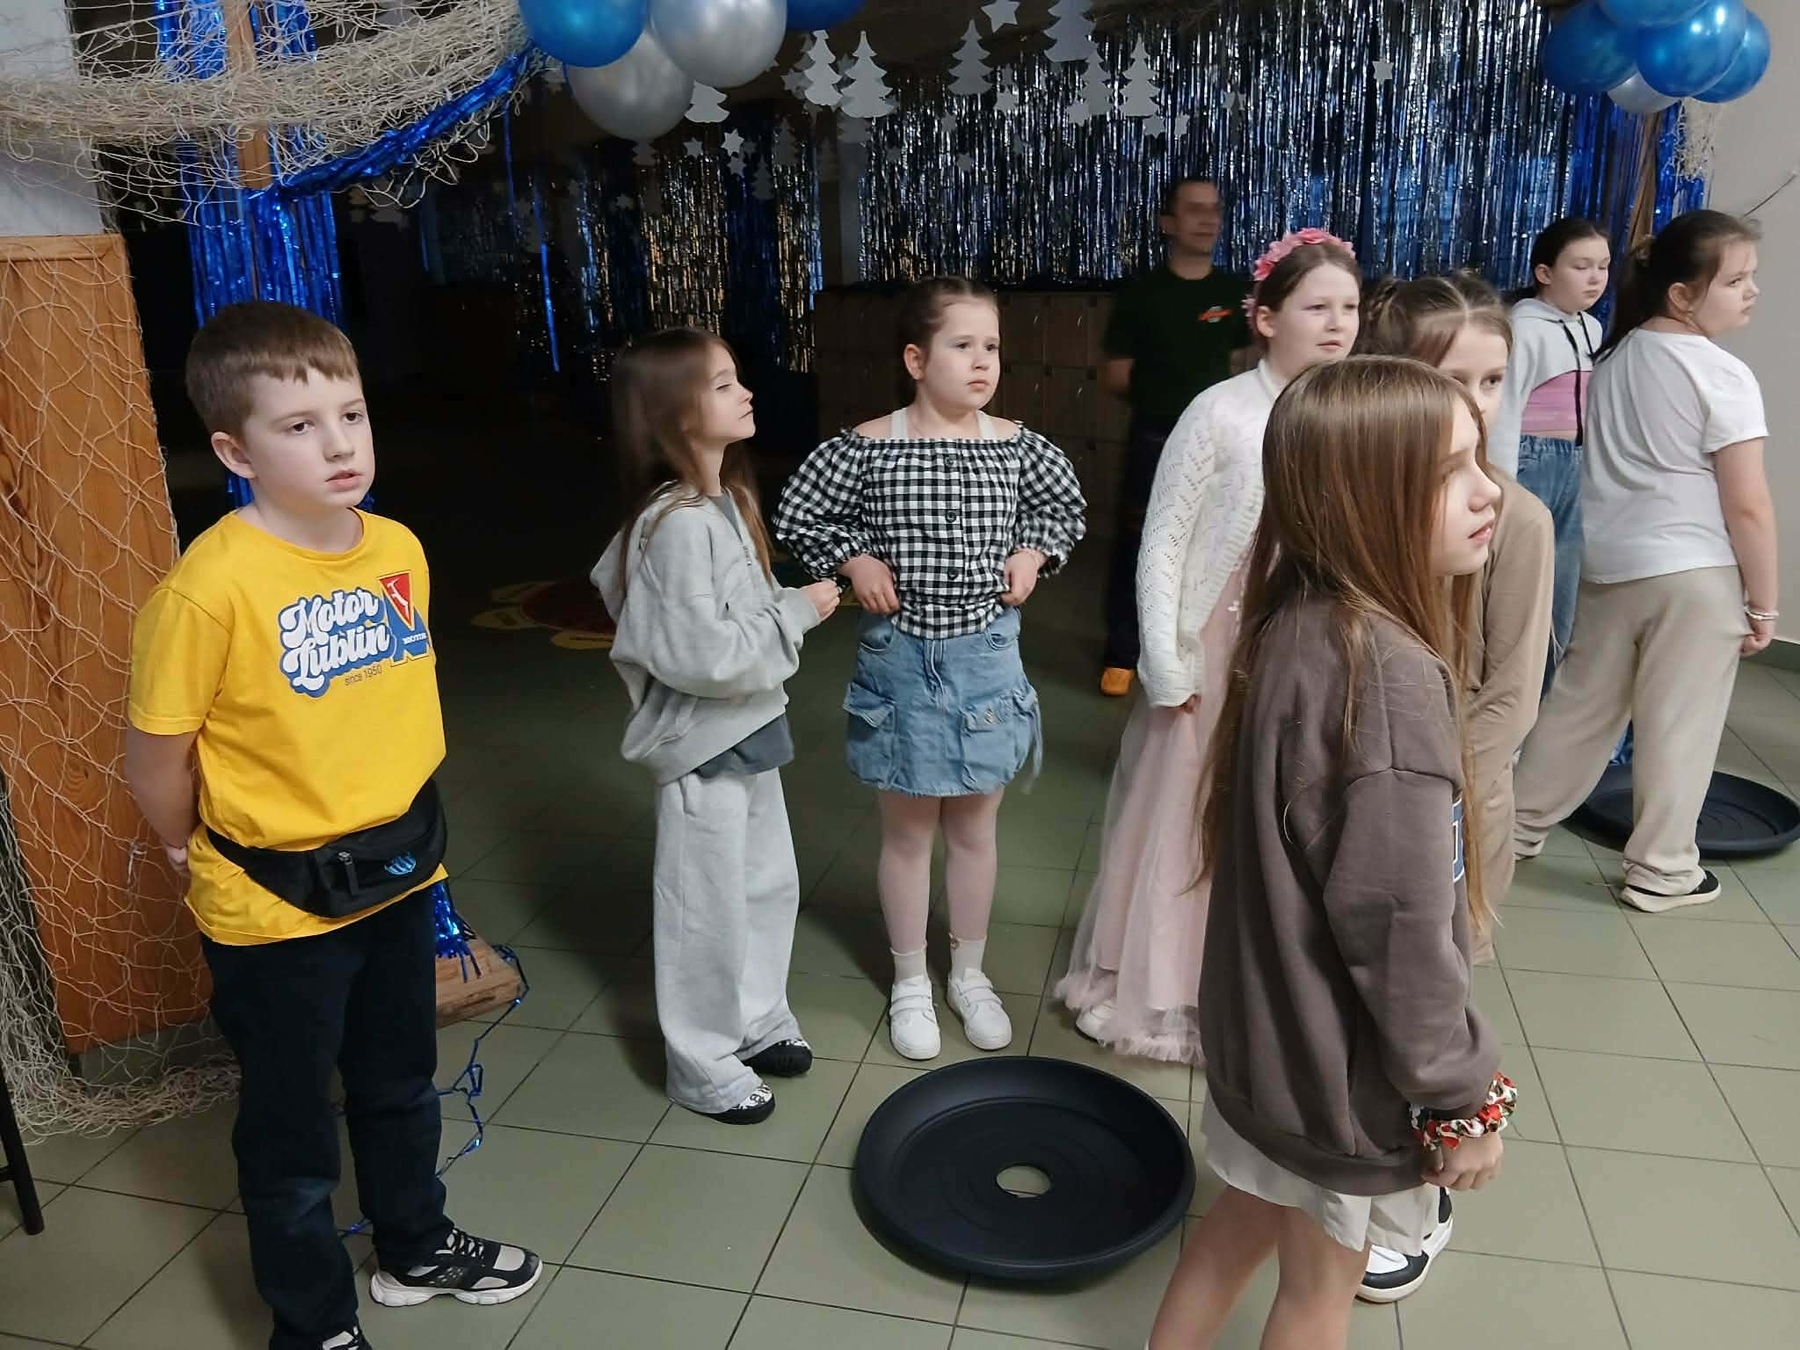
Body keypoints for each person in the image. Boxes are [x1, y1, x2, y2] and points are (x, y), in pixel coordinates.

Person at [122, 302, 540, 1350]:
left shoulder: (396, 548)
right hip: (274, 907)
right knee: (293, 1125)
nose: (340, 443)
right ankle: (311, 1323)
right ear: (236, 453)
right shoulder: (207, 591)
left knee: (400, 1082)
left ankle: (415, 1246)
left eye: (350, 414)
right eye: (299, 426)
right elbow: (156, 757)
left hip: (398, 873)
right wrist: (180, 844)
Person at [1148, 357, 1515, 1350]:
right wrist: (1460, 1095)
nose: (1488, 491)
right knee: (1318, 1295)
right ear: (1358, 498)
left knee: (1235, 1229)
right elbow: (1398, 932)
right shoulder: (1384, 677)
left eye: (1479, 460)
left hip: (1264, 1050)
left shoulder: (1298, 615)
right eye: (1449, 473)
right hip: (1332, 1079)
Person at [1056, 229, 1361, 1061]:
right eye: (1317, 307)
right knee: (1190, 813)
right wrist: (1165, 657)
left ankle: (1260, 984)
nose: (1338, 324)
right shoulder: (1220, 411)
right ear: (1265, 318)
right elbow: (1163, 541)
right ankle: (1165, 987)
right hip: (1217, 644)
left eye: (1349, 307)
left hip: (1307, 643)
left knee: (1288, 813)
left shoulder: (1353, 412)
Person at [775, 277, 1087, 1061]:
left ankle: (969, 973)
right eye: (962, 345)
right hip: (901, 663)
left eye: (992, 347)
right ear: (917, 359)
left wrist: (1032, 552)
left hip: (986, 662)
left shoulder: (1016, 446)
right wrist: (853, 559)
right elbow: (799, 512)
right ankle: (910, 978)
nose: (982, 362)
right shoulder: (867, 446)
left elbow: (1063, 510)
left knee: (975, 828)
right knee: (909, 832)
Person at [1351, 272, 1554, 1301]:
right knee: (1356, 1006)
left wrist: (1424, 805)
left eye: (1493, 379)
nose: (1475, 401)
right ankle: (1349, 1180)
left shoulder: (1514, 521)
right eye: (1450, 378)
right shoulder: (1354, 507)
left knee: (1428, 1007)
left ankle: (1410, 1209)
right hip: (1361, 807)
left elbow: (1508, 699)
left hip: (1456, 813)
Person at [594, 328, 839, 1124]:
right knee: (704, 907)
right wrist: (797, 612)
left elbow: (738, 619)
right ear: (675, 412)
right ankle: (700, 1061)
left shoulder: (726, 503)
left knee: (765, 884)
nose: (747, 392)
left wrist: (781, 609)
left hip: (750, 729)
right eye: (724, 383)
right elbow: (700, 655)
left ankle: (757, 1017)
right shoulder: (676, 525)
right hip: (702, 744)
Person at [1513, 211, 1773, 913]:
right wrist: (1765, 603)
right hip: (1693, 576)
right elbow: (1748, 506)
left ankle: (1511, 827)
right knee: (1679, 726)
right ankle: (1662, 871)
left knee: (1577, 712)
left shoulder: (1614, 356)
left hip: (1610, 567)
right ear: (1682, 294)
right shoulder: (1722, 373)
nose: (1752, 292)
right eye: (1737, 280)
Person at [1098, 177, 1253, 697]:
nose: (1208, 219)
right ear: (1168, 223)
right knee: (1140, 542)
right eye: (1194, 210)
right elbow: (1115, 375)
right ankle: (1122, 652)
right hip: (1156, 437)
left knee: (1211, 540)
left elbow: (1242, 363)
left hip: (1222, 442)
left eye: (1215, 209)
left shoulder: (1234, 294)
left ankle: (1192, 647)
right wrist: (1166, 403)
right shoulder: (1142, 294)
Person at [1489, 218, 1610, 687]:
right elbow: (1506, 410)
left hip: (1576, 465)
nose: (1595, 278)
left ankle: (1543, 694)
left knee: (1563, 586)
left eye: (1602, 266)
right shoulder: (1522, 328)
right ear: (1544, 272)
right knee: (1520, 583)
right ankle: (1506, 690)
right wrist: (1501, 484)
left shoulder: (1592, 328)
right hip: (1531, 461)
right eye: (1581, 266)